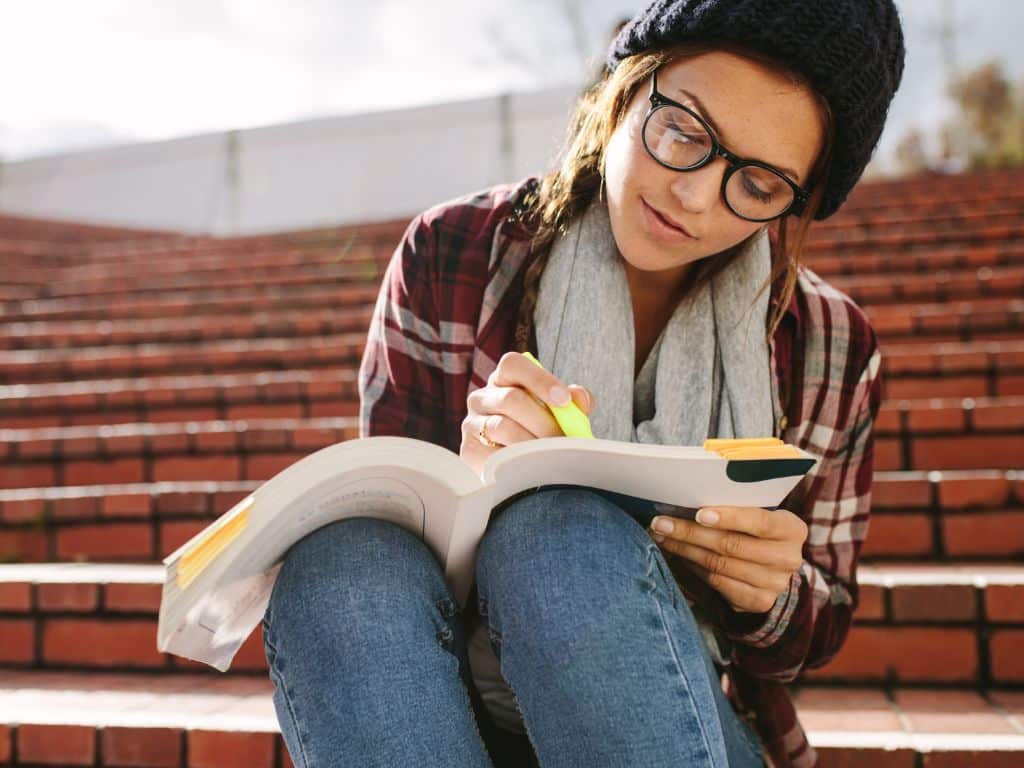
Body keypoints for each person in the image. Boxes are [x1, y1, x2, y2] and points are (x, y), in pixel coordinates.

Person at [261, 1, 904, 766]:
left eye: (759, 185)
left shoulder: (830, 345)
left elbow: (818, 625)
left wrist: (771, 589)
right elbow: (389, 556)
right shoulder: (451, 253)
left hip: (677, 714)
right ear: (627, 87)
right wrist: (464, 493)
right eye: (684, 132)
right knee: (340, 566)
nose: (696, 197)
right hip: (450, 706)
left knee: (558, 540)